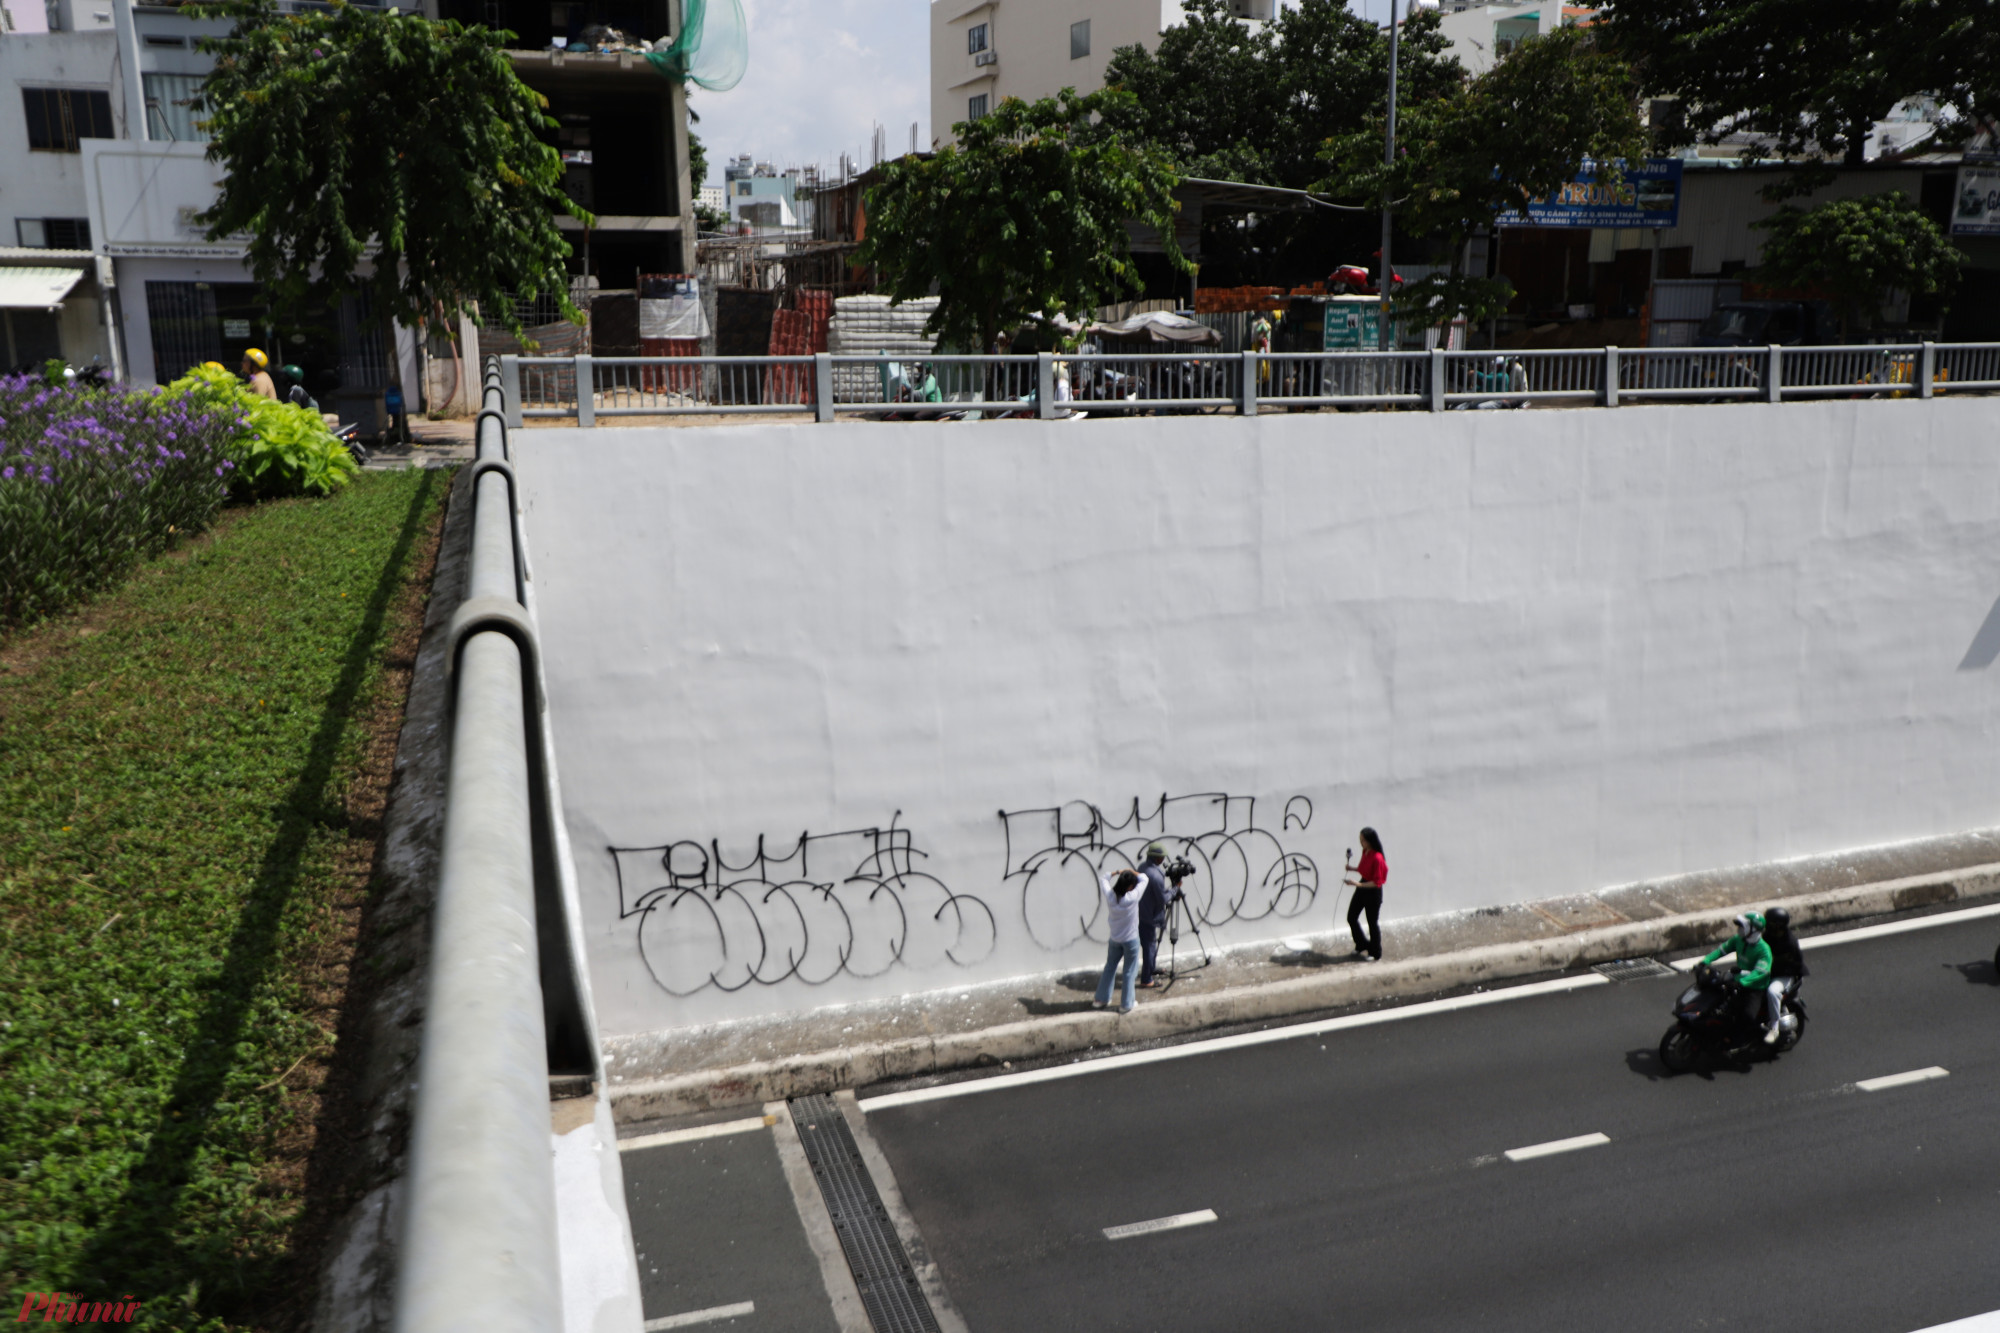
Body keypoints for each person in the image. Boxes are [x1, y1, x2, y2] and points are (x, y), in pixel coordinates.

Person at [1701, 912, 1773, 1034]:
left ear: (1753, 929)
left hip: (1755, 988)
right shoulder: (1739, 940)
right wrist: (1704, 961)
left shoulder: (1764, 950)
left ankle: (1757, 1037)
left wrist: (1742, 982)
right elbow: (1721, 950)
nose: (1739, 929)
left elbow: (1760, 972)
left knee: (1748, 1017)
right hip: (1737, 980)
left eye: (1742, 926)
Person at [1093, 868, 1144, 1014]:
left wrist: (1116, 872)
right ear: (1129, 887)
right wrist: (1131, 871)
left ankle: (1100, 999)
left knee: (1110, 967)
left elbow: (1103, 879)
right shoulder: (1132, 897)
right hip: (1131, 940)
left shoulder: (1110, 896)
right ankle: (1126, 1004)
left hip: (1115, 939)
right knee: (1129, 971)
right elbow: (1145, 878)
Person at [1761, 906, 1806, 1045]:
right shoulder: (1767, 936)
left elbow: (1790, 965)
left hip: (1783, 976)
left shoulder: (1788, 943)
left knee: (1772, 992)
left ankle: (1774, 1028)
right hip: (1768, 973)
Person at [1345, 828, 1386, 960]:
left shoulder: (1378, 857)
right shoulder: (1365, 852)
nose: (1360, 842)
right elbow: (1364, 869)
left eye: (1362, 840)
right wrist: (1352, 869)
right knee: (1351, 917)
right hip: (1362, 886)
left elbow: (1377, 882)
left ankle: (1375, 952)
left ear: (1369, 841)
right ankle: (1362, 944)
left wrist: (1358, 884)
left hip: (1372, 892)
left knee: (1372, 923)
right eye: (1360, 839)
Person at [1135, 843, 1171, 989]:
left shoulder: (1142, 867)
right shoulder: (1155, 876)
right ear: (1157, 859)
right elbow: (1163, 899)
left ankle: (1151, 968)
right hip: (1150, 916)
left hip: (1142, 912)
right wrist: (1174, 890)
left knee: (1149, 944)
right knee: (1149, 946)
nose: (1163, 859)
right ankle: (1146, 979)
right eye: (1162, 857)